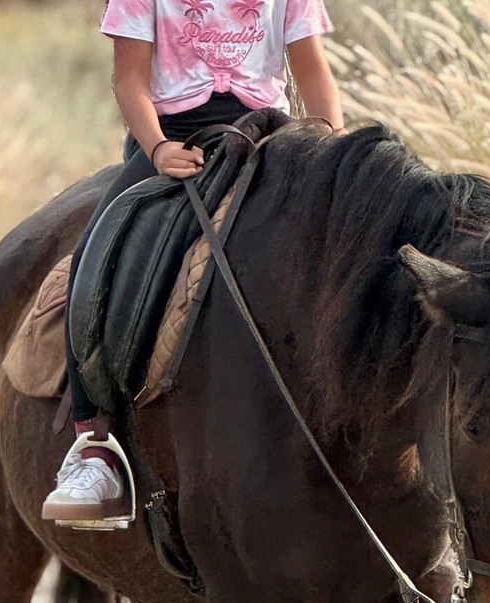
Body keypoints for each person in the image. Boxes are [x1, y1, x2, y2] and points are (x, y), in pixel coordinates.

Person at [42, 0, 344, 521]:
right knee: (98, 246)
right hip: (175, 136)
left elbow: (312, 69)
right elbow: (129, 80)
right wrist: (158, 148)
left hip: (271, 136)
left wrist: (336, 157)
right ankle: (95, 446)